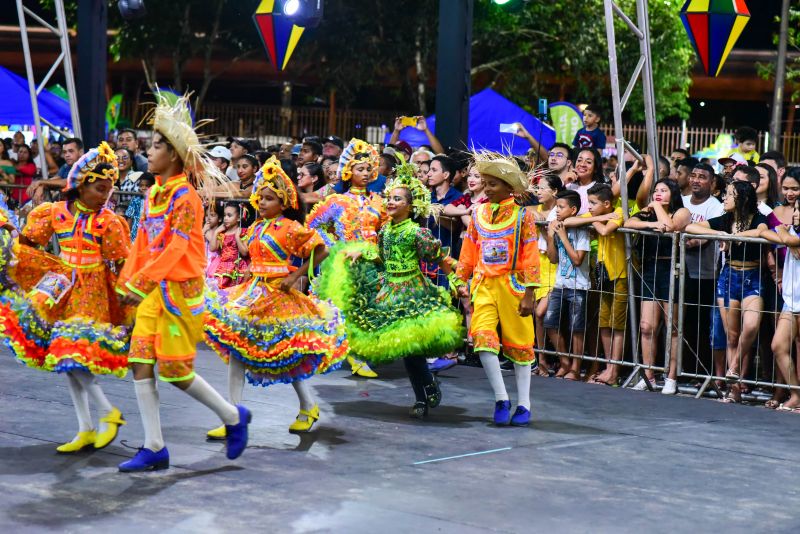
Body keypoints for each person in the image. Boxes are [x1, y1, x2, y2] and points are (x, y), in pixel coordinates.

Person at [115, 91, 250, 472]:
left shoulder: (185, 197)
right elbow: (142, 243)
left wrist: (141, 282)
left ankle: (233, 416)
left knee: (175, 371)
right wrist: (128, 282)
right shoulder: (154, 193)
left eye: (156, 145)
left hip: (178, 293)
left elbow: (176, 249)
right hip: (151, 291)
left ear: (173, 154)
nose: (149, 150)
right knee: (140, 362)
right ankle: (154, 445)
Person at [0, 141, 131, 453]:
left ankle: (107, 412)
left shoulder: (110, 221)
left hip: (92, 290)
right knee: (65, 359)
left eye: (109, 190)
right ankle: (86, 427)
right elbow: (29, 242)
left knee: (72, 353)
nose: (105, 196)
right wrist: (7, 229)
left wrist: (129, 299)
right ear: (80, 185)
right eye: (100, 189)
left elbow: (122, 262)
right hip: (60, 286)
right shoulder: (54, 213)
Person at [204, 157, 347, 436]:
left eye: (270, 198)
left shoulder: (290, 228)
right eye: (261, 197)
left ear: (283, 203)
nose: (263, 202)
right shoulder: (256, 227)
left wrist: (294, 276)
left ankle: (308, 405)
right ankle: (233, 415)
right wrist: (248, 274)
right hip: (251, 293)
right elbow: (252, 257)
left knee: (288, 354)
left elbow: (322, 250)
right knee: (237, 350)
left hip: (277, 296)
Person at [316, 162, 463, 418]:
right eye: (389, 198)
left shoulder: (417, 232)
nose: (390, 202)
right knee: (404, 351)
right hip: (389, 293)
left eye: (397, 199)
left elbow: (439, 257)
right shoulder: (384, 231)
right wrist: (360, 251)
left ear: (410, 205)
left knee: (413, 351)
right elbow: (382, 258)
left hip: (413, 293)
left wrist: (458, 282)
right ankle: (424, 392)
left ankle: (424, 391)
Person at [456, 153, 540, 426]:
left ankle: (524, 404)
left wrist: (529, 293)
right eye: (485, 182)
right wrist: (461, 279)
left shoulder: (523, 217)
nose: (487, 188)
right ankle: (501, 397)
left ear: (508, 187)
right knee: (481, 339)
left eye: (493, 184)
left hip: (513, 286)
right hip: (483, 284)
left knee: (519, 345)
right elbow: (469, 249)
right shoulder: (477, 213)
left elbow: (530, 256)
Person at [307, 138, 387, 378]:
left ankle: (357, 352)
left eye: (368, 169)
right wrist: (334, 247)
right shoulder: (337, 201)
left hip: (370, 262)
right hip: (343, 263)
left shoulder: (379, 201)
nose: (365, 173)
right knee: (338, 308)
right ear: (348, 171)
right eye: (359, 169)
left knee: (365, 310)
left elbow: (384, 231)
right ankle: (338, 353)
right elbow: (313, 224)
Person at [686, 181, 768, 403]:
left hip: (752, 278)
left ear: (741, 198)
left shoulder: (758, 219)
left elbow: (762, 232)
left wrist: (734, 238)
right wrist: (722, 232)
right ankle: (735, 391)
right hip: (728, 277)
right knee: (731, 336)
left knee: (751, 326)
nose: (724, 198)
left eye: (729, 195)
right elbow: (691, 228)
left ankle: (733, 368)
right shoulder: (725, 220)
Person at [625, 179, 691, 392]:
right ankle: (649, 374)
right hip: (651, 268)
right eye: (656, 191)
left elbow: (671, 226)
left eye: (664, 190)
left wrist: (657, 209)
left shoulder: (682, 211)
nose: (658, 194)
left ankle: (671, 376)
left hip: (673, 269)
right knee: (647, 326)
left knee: (672, 327)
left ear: (673, 193)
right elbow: (628, 223)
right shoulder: (650, 212)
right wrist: (652, 222)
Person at [565, 184, 628, 386]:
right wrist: (596, 218)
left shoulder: (619, 211)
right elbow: (568, 220)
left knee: (617, 325)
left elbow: (605, 231)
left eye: (593, 203)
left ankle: (613, 370)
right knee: (603, 322)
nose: (589, 206)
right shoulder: (599, 215)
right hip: (602, 274)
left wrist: (596, 222)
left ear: (607, 203)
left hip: (620, 274)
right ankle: (607, 365)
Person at [679, 163, 725, 383]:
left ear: (712, 182)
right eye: (694, 176)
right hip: (680, 272)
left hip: (705, 274)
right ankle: (683, 370)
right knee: (682, 323)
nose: (696, 180)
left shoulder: (715, 206)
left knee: (700, 325)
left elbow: (707, 237)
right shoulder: (682, 202)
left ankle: (700, 373)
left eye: (702, 177)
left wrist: (688, 240)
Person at [543, 190, 590, 381]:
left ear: (573, 210)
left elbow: (578, 260)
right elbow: (553, 259)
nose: (557, 211)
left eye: (561, 207)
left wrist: (562, 237)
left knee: (576, 328)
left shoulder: (582, 230)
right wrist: (549, 237)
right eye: (556, 207)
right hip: (560, 284)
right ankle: (564, 362)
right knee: (550, 322)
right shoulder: (557, 226)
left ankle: (576, 368)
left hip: (579, 285)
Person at [760, 201, 800, 411]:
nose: (797, 214)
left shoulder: (792, 235)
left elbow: (784, 237)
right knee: (778, 346)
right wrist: (783, 233)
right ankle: (796, 393)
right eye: (797, 209)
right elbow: (769, 233)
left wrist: (785, 236)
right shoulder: (791, 231)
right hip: (791, 301)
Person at [533, 174, 564, 375]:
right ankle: (541, 360)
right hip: (537, 266)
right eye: (537, 188)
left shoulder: (558, 212)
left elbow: (554, 244)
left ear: (554, 192)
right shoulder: (535, 210)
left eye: (542, 188)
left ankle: (567, 361)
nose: (538, 191)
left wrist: (544, 225)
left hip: (554, 267)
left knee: (542, 313)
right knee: (538, 318)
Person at [567, 147, 603, 215]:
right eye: (579, 160)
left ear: (595, 168)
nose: (582, 164)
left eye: (588, 162)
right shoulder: (567, 186)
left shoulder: (601, 189)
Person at [124, 172, 155, 241]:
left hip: (151, 235)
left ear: (153, 186)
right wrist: (128, 235)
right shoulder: (135, 201)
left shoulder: (155, 201)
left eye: (147, 185)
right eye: (141, 185)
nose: (143, 188)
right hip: (135, 236)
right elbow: (130, 219)